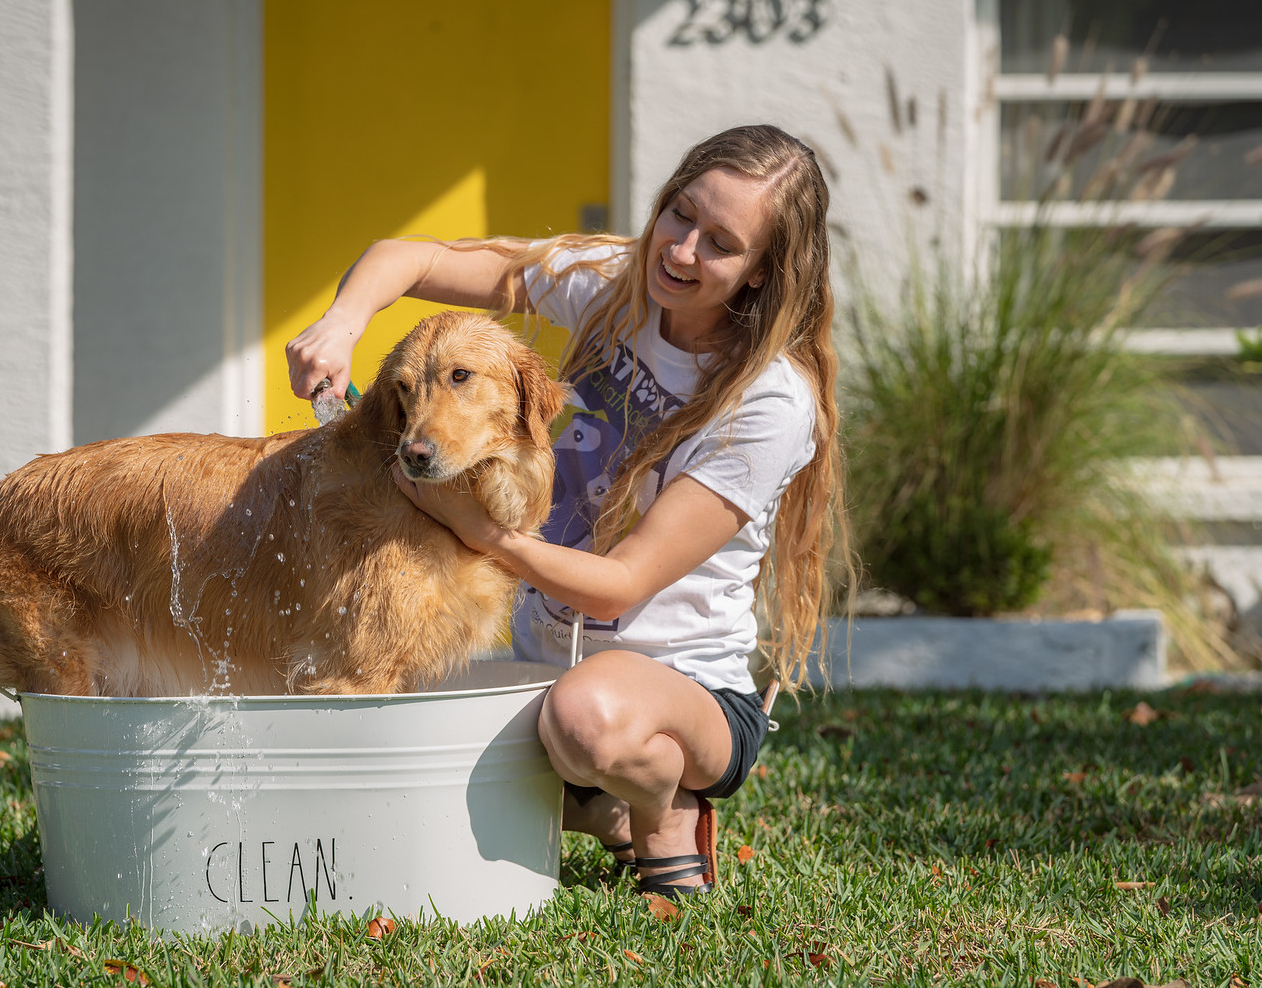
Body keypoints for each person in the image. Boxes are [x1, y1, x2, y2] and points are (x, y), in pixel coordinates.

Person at [286, 124, 851, 898]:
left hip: (684, 693)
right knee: (396, 727)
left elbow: (618, 584)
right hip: (548, 667)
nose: (681, 250)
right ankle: (599, 808)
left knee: (585, 719)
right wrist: (342, 323)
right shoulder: (616, 284)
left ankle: (662, 808)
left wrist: (480, 531)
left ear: (760, 273)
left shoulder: (769, 401)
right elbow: (411, 257)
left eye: (720, 243)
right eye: (681, 214)